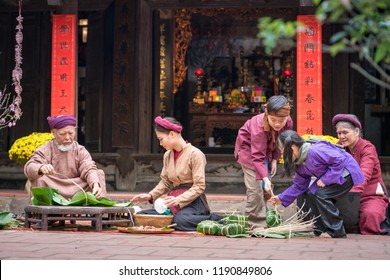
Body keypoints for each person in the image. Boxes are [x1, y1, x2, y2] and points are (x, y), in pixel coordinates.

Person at [269, 130, 365, 238]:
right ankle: (320, 230)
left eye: (283, 151)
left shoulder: (316, 150)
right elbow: (299, 185)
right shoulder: (300, 163)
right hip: (332, 175)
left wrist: (326, 179)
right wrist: (281, 198)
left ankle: (337, 232)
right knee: (311, 193)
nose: (283, 155)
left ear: (292, 148)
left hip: (347, 172)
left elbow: (339, 160)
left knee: (321, 194)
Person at [131, 116, 221, 231]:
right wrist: (151, 195)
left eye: (161, 139)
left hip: (193, 202)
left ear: (172, 134)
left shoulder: (195, 154)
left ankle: (215, 219)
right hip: (173, 200)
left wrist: (179, 199)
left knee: (180, 221)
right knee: (143, 216)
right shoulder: (167, 155)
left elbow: (199, 186)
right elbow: (166, 182)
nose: (160, 143)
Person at [234, 95, 293, 228]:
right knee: (256, 188)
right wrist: (265, 178)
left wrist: (275, 160)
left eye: (281, 120)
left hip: (267, 151)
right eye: (273, 120)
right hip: (249, 152)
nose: (277, 124)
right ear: (267, 115)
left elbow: (282, 141)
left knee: (266, 189)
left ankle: (267, 216)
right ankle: (255, 224)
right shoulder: (258, 127)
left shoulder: (288, 121)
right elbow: (257, 156)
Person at [332, 114, 390, 235]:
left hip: (370, 195)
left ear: (357, 131)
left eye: (345, 132)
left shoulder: (368, 148)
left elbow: (364, 174)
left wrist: (352, 196)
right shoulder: (338, 147)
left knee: (370, 215)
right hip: (344, 194)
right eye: (339, 133)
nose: (341, 137)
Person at [24, 114, 107, 199]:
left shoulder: (80, 150)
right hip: (53, 188)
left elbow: (88, 167)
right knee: (39, 179)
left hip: (76, 188)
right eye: (62, 134)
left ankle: (96, 205)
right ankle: (45, 210)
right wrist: (41, 168)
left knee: (98, 175)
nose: (67, 138)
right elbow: (30, 166)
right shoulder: (45, 149)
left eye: (71, 133)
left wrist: (95, 184)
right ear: (53, 133)